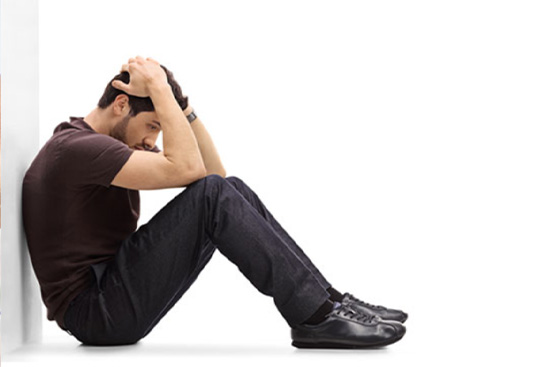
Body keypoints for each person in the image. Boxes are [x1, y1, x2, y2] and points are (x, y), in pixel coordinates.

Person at [22, 56, 408, 349]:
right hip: (96, 311)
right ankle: (317, 316)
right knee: (212, 196)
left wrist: (180, 106)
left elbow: (214, 174)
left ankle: (328, 302)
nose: (153, 142)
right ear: (121, 105)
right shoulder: (77, 149)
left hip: (111, 292)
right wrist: (157, 87)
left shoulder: (100, 148)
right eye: (154, 126)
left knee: (227, 188)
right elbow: (196, 174)